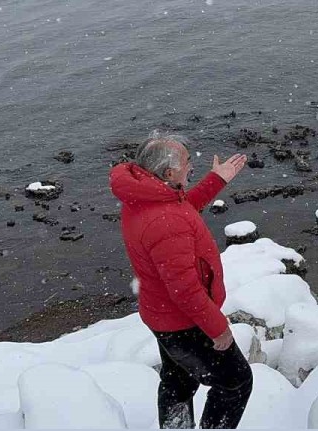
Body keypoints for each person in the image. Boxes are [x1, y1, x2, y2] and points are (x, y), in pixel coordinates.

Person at [110, 131, 251, 429]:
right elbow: (185, 291)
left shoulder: (144, 196)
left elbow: (180, 206)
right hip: (185, 324)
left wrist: (216, 179)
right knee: (236, 383)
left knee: (178, 384)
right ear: (170, 172)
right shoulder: (165, 222)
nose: (191, 166)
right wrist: (219, 330)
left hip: (162, 316)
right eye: (187, 163)